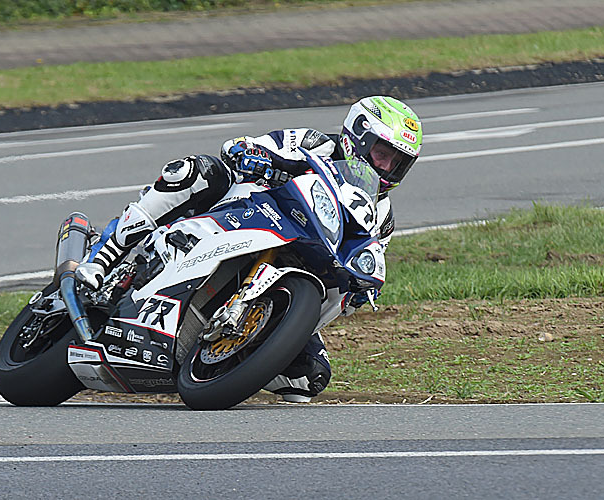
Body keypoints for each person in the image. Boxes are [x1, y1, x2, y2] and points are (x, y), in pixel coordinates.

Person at [76, 95, 423, 402]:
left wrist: (359, 289)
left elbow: (366, 258)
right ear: (357, 136)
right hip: (247, 211)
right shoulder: (314, 143)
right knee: (196, 171)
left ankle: (231, 356)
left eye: (397, 163)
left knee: (309, 377)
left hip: (301, 262)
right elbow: (243, 145)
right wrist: (252, 155)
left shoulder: (382, 215)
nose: (386, 168)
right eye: (382, 154)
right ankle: (105, 254)